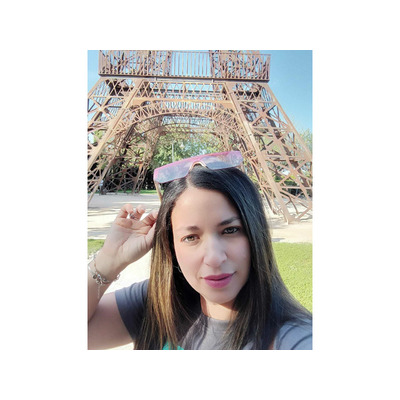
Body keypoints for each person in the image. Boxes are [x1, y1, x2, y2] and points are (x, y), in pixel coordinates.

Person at [88, 151, 312, 350]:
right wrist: (109, 261)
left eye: (230, 230)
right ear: (171, 245)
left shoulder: (293, 339)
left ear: (255, 231)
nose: (214, 258)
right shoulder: (158, 300)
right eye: (190, 237)